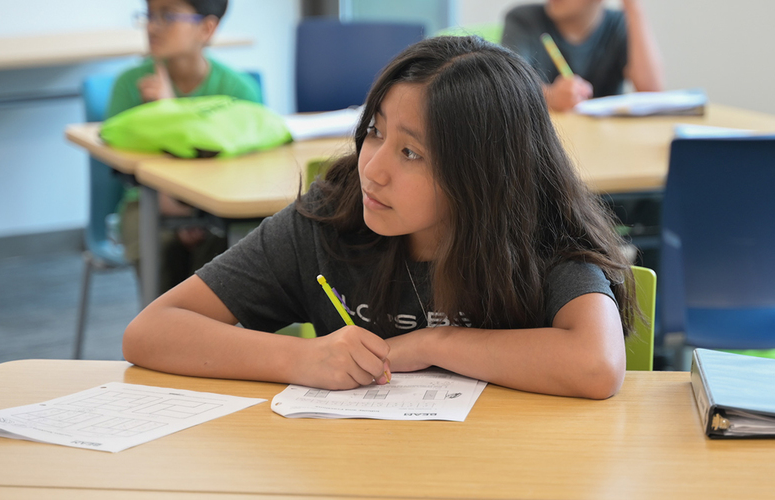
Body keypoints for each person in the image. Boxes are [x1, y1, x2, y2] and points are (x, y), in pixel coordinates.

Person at [123, 36, 636, 399]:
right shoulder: (332, 219)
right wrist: (301, 358)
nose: (371, 169)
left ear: (483, 174)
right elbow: (152, 331)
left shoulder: (539, 230)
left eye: (410, 153)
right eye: (375, 131)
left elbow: (597, 364)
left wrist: (434, 343)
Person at [108, 0, 261, 292]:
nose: (152, 26)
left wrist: (171, 110)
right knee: (158, 256)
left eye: (167, 16)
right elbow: (125, 171)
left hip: (218, 205)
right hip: (150, 201)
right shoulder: (130, 85)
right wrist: (178, 210)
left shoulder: (238, 92)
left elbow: (246, 175)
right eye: (150, 15)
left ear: (207, 28)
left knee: (227, 262)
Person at [501, 0, 664, 112]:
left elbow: (651, 92)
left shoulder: (619, 24)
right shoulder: (523, 20)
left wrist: (633, 8)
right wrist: (551, 97)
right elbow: (509, 87)